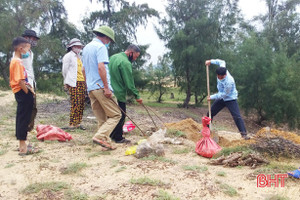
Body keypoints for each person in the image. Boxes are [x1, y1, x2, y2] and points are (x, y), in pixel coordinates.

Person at [82, 25, 121, 150]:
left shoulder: (87, 48)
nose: (108, 43)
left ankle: (105, 144)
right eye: (109, 40)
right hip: (100, 86)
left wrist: (87, 86)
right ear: (105, 37)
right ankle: (100, 136)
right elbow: (101, 67)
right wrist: (107, 87)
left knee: (102, 118)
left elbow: (83, 69)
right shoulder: (101, 47)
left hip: (91, 87)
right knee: (115, 115)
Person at [205, 59, 250, 140]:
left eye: (221, 77)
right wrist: (210, 61)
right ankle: (207, 131)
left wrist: (211, 97)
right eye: (218, 76)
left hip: (230, 99)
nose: (219, 78)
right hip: (221, 98)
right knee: (210, 113)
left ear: (224, 75)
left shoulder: (229, 82)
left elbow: (224, 94)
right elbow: (221, 62)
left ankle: (244, 135)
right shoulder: (222, 69)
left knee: (237, 117)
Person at [109, 44, 142, 143]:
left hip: (108, 91)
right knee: (121, 115)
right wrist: (137, 96)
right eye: (135, 56)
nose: (135, 59)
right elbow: (129, 83)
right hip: (118, 93)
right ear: (131, 52)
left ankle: (110, 134)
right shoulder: (125, 63)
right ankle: (118, 138)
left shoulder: (113, 57)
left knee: (111, 115)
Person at [9, 37, 37, 155]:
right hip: (22, 92)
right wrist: (28, 92)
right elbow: (20, 80)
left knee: (23, 118)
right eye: (26, 48)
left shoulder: (16, 61)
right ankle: (22, 147)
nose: (27, 51)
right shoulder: (17, 62)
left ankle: (23, 144)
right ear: (21, 49)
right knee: (23, 118)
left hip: (21, 91)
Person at [62, 38, 86, 130]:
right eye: (77, 46)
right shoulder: (68, 56)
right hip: (73, 82)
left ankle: (78, 123)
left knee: (81, 103)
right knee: (75, 102)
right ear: (72, 47)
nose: (78, 48)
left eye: (79, 47)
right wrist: (66, 81)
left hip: (81, 81)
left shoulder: (79, 57)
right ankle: (72, 123)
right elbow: (65, 70)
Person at [21, 29, 40, 132]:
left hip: (31, 82)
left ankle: (28, 127)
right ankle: (23, 128)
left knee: (33, 106)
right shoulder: (21, 51)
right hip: (24, 82)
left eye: (34, 39)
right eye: (32, 38)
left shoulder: (30, 52)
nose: (33, 41)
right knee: (25, 107)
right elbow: (17, 66)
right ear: (25, 38)